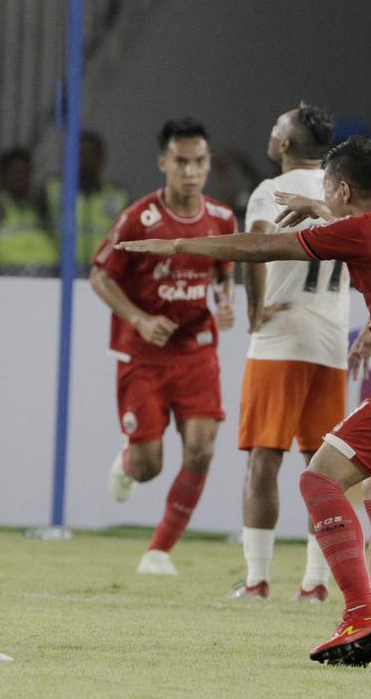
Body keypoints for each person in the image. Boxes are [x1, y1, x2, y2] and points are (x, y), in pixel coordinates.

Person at [115, 136, 371, 667]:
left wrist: (177, 246)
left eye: (329, 187)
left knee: (318, 478)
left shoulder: (360, 230)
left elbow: (260, 249)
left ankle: (360, 612)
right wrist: (321, 208)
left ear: (343, 187)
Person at [90, 117, 236, 575]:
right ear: (163, 164)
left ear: (208, 164)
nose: (190, 172)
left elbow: (225, 270)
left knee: (202, 449)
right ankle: (128, 461)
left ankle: (158, 551)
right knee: (149, 465)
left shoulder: (222, 218)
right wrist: (138, 317)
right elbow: (100, 275)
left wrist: (226, 302)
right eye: (181, 162)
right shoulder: (140, 219)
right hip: (144, 355)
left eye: (199, 162)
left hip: (197, 351)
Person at [232, 103, 343, 602]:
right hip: (332, 342)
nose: (273, 130)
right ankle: (316, 584)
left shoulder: (270, 191)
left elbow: (255, 249)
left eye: (278, 126)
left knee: (263, 461)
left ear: (284, 145)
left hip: (279, 340)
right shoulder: (344, 193)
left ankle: (257, 580)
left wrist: (255, 310)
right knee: (325, 470)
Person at [45, 130, 130, 275]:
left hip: (103, 271)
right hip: (62, 273)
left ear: (101, 158)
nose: (85, 159)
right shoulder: (53, 189)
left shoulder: (118, 195)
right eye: (80, 154)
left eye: (91, 154)